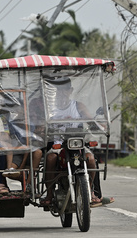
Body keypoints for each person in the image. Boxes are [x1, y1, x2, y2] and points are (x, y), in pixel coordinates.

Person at [42, 77, 100, 206]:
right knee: (50, 158)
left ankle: (90, 191)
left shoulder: (77, 105)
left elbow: (89, 119)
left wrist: (97, 124)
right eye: (59, 90)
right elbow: (42, 124)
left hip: (77, 143)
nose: (62, 93)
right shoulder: (51, 108)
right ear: (55, 91)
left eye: (65, 90)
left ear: (70, 90)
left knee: (90, 159)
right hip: (58, 144)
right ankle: (50, 193)